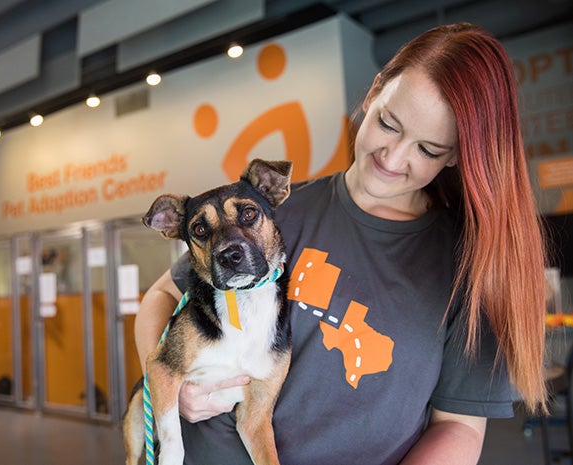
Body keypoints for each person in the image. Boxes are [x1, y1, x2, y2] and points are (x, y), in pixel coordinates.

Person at [134, 22, 548, 465]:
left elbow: (459, 426)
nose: (392, 157)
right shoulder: (271, 216)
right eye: (388, 123)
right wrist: (174, 391)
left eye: (427, 149)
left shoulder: (469, 264)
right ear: (373, 93)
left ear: (456, 155)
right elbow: (161, 295)